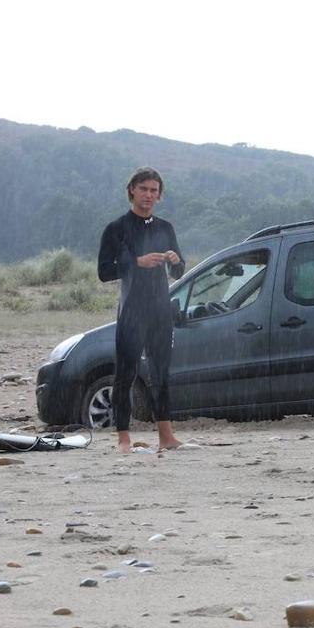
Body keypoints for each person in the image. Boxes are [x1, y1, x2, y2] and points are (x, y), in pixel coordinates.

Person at [97, 167, 186, 454]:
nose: (148, 195)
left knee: (162, 372)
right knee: (126, 373)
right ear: (132, 190)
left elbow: (179, 270)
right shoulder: (116, 229)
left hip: (160, 309)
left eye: (154, 191)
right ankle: (123, 437)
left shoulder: (165, 228)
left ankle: (166, 435)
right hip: (132, 310)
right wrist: (137, 262)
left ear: (159, 196)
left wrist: (173, 260)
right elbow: (103, 272)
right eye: (144, 189)